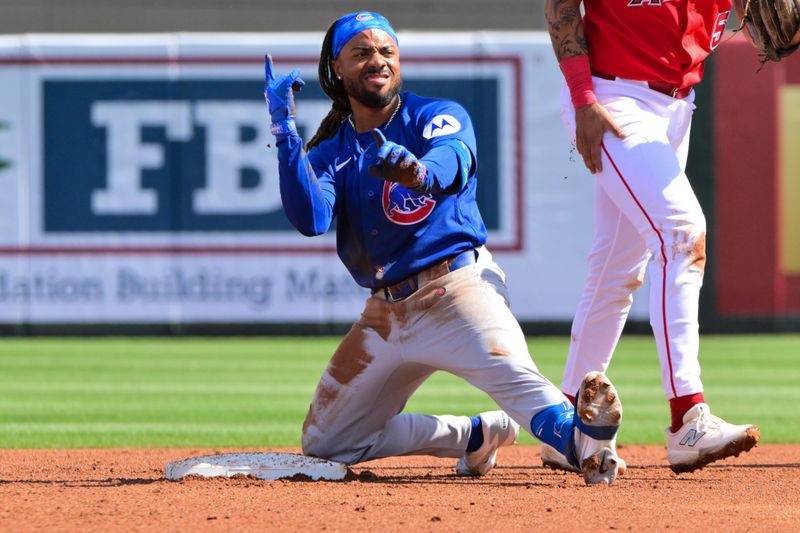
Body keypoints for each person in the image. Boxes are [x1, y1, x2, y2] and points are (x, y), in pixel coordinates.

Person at [265, 10, 624, 485]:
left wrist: (417, 173)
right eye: (362, 53)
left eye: (386, 51)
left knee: (517, 380)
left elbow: (452, 158)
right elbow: (310, 218)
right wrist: (285, 131)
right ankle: (474, 435)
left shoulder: (436, 114)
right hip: (386, 312)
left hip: (456, 288)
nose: (378, 60)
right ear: (336, 70)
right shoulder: (334, 150)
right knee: (325, 444)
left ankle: (584, 443)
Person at [542, 0, 760, 474]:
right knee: (681, 234)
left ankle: (561, 428)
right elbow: (560, 8)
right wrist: (583, 98)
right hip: (611, 98)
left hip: (677, 107)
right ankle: (688, 419)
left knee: (617, 270)